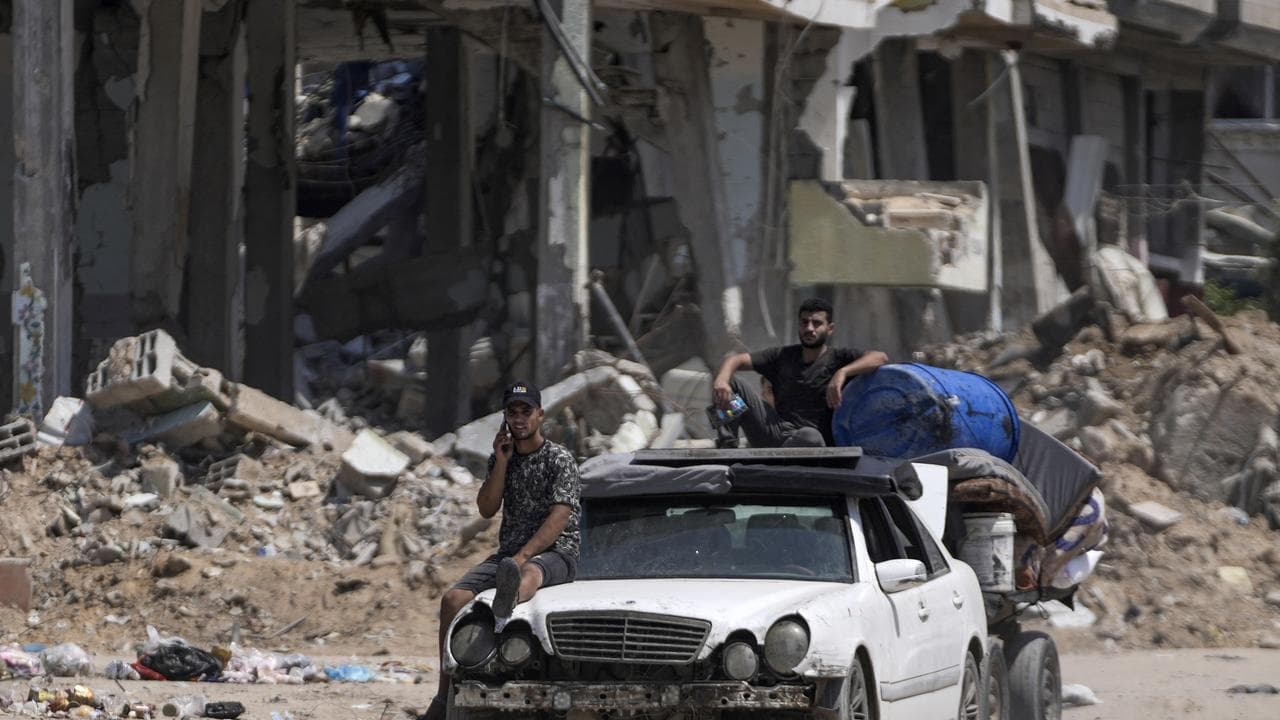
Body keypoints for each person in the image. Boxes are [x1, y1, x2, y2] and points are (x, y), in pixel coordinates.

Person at [421, 381, 580, 719]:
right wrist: (503, 463)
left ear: (540, 415)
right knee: (452, 600)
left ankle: (503, 606)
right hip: (507, 555)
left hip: (556, 553)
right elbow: (486, 508)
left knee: (530, 574)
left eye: (526, 412)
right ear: (505, 417)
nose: (520, 419)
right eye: (513, 412)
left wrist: (523, 557)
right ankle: (442, 697)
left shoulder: (559, 458)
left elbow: (560, 517)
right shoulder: (501, 458)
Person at [711, 297, 889, 447]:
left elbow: (880, 357)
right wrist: (721, 381)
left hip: (810, 443)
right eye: (805, 322)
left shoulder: (839, 358)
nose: (809, 328)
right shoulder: (782, 356)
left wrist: (842, 373)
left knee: (809, 436)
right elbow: (734, 360)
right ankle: (728, 443)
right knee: (729, 383)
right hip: (775, 433)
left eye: (817, 323)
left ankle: (785, 456)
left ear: (830, 328)